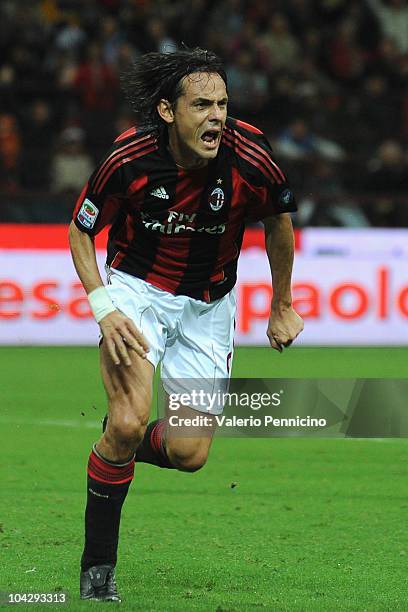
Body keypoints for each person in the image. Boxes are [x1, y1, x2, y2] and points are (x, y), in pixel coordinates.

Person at [69, 47, 304, 603]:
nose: (217, 116)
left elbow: (280, 223)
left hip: (209, 305)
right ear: (169, 111)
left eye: (222, 103)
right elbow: (82, 230)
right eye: (202, 104)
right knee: (130, 422)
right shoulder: (129, 156)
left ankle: (115, 443)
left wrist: (281, 304)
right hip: (135, 292)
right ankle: (97, 572)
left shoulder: (251, 158)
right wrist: (105, 307)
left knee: (188, 454)